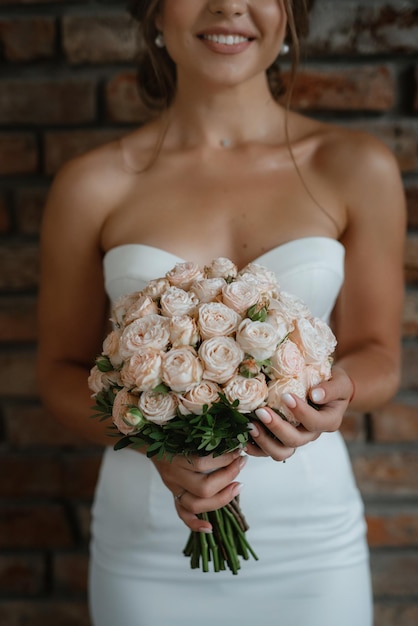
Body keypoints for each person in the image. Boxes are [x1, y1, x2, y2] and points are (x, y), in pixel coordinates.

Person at [37, 1, 406, 624]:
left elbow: (379, 352)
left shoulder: (354, 166)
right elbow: (58, 372)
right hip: (147, 544)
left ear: (291, 13)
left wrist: (337, 390)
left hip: (310, 544)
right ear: (154, 11)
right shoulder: (92, 184)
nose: (229, 4)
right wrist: (148, 438)